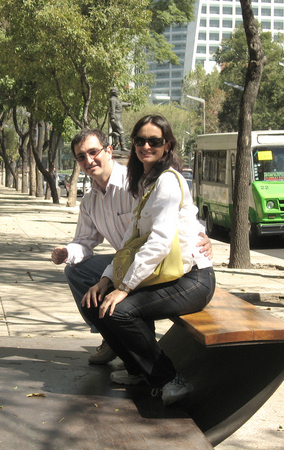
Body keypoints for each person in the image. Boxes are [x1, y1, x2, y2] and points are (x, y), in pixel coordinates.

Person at [81, 114, 216, 406]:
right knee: (95, 304)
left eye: (154, 141)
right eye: (140, 140)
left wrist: (125, 287)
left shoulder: (167, 181)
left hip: (193, 279)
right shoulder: (146, 183)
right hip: (168, 275)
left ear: (167, 146)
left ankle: (170, 379)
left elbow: (159, 242)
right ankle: (139, 371)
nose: (146, 146)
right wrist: (106, 280)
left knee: (119, 310)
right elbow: (130, 243)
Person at [51, 129, 212, 364]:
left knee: (124, 301)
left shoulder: (138, 183)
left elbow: (176, 216)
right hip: (127, 263)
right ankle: (111, 337)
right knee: (77, 271)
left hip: (160, 262)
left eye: (93, 152)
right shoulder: (89, 202)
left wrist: (201, 236)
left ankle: (146, 357)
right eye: (81, 156)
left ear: (109, 151)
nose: (88, 160)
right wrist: (68, 252)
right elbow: (85, 243)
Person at [109, 87, 131, 152]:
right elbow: (112, 109)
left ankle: (115, 146)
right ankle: (123, 146)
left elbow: (121, 103)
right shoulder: (112, 100)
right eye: (117, 91)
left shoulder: (116, 99)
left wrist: (128, 104)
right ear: (114, 92)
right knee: (121, 131)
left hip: (118, 118)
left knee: (117, 132)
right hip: (116, 118)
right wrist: (112, 118)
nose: (118, 92)